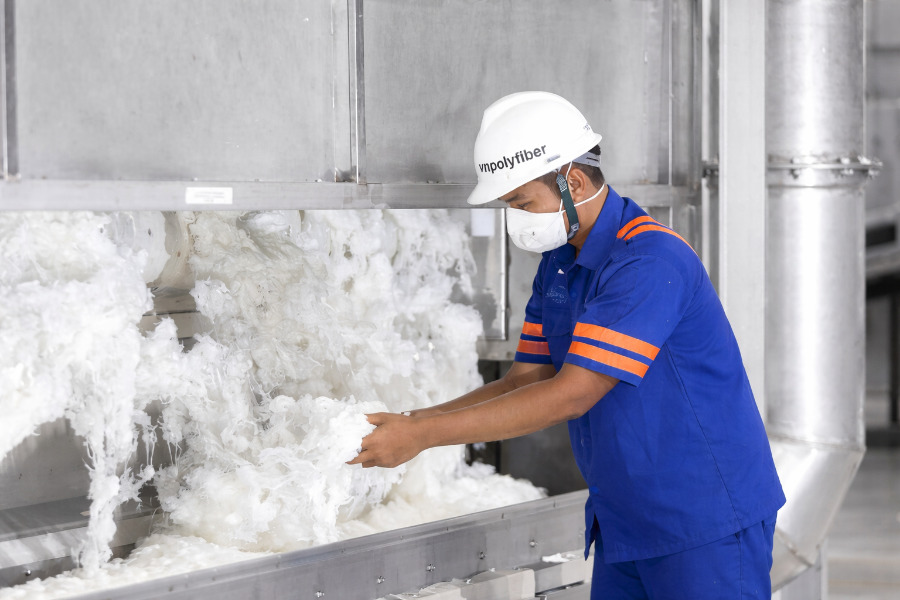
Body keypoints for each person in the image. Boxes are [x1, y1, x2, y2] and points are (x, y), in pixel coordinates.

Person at [348, 91, 785, 599]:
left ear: (572, 181)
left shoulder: (648, 262)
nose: (516, 219)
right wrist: (413, 421)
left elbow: (571, 394)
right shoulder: (559, 265)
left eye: (521, 203)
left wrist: (423, 437)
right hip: (626, 518)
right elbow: (525, 379)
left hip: (702, 519)